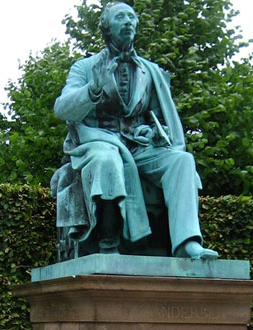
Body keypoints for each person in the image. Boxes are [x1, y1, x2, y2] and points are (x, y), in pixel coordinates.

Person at [52, 2, 218, 260]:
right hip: (98, 140)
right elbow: (62, 108)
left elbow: (158, 118)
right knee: (107, 159)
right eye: (120, 17)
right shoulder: (85, 68)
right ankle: (108, 243)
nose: (128, 21)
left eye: (131, 17)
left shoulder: (149, 71)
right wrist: (91, 91)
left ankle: (187, 243)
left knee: (182, 161)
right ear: (107, 27)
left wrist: (153, 131)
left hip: (139, 147)